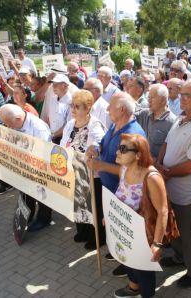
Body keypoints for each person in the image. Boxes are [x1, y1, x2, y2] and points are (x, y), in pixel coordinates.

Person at [155, 79, 191, 288]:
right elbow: (167, 143)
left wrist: (166, 172)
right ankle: (180, 258)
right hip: (168, 187)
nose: (182, 99)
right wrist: (160, 164)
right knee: (174, 230)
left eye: (187, 96)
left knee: (189, 236)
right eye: (182, 95)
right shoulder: (181, 118)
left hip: (186, 194)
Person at [86, 92, 145, 276]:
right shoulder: (114, 126)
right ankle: (120, 256)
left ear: (121, 109)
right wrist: (95, 149)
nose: (106, 108)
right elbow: (103, 144)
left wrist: (102, 165)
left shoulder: (132, 134)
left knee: (126, 233)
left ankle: (131, 270)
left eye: (110, 106)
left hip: (125, 195)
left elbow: (135, 171)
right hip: (110, 190)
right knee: (115, 229)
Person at [104, 134, 169, 298]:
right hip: (125, 231)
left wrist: (157, 244)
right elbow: (121, 195)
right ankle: (133, 288)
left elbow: (163, 211)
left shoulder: (152, 177)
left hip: (144, 235)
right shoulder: (124, 169)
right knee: (127, 261)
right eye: (119, 147)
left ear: (138, 154)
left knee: (144, 271)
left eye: (123, 149)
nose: (117, 152)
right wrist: (110, 217)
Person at [60, 90, 106, 248]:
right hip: (74, 173)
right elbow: (63, 144)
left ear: (87, 108)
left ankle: (97, 238)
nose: (73, 109)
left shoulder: (95, 124)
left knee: (93, 207)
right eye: (72, 105)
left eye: (77, 106)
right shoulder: (70, 124)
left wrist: (94, 148)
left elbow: (101, 143)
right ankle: (83, 231)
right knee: (78, 203)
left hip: (91, 176)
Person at [0, 104, 52, 231]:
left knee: (42, 195)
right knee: (26, 193)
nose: (9, 127)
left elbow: (44, 154)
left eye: (9, 124)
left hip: (39, 168)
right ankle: (28, 215)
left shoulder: (38, 129)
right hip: (24, 165)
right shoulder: (17, 122)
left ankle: (44, 219)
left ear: (18, 119)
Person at [135, 84, 176, 159]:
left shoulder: (172, 123)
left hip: (155, 167)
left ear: (163, 100)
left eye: (152, 97)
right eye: (148, 97)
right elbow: (128, 114)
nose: (149, 100)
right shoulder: (145, 113)